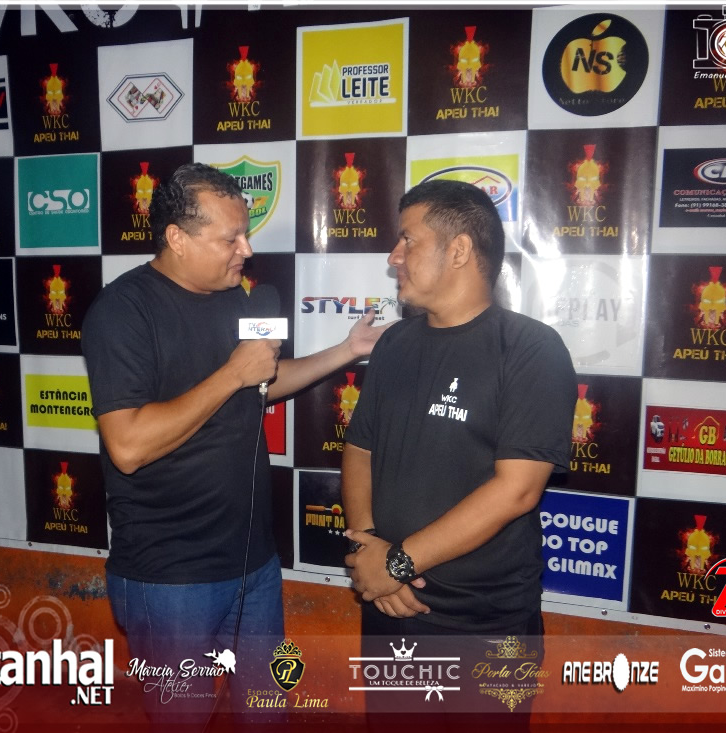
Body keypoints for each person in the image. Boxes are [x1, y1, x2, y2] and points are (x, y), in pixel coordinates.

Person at [81, 163, 388, 720]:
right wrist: (232, 374)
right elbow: (127, 446)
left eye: (245, 234)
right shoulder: (122, 312)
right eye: (231, 238)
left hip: (254, 564)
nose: (246, 249)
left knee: (267, 713)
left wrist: (348, 350)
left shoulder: (238, 299)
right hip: (171, 577)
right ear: (177, 238)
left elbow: (261, 381)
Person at [342, 179, 576, 727]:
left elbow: (517, 490)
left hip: (484, 626)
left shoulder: (530, 348)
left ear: (459, 250)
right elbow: (358, 448)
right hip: (389, 610)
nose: (393, 256)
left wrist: (398, 564)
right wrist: (369, 551)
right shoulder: (395, 343)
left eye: (408, 240)